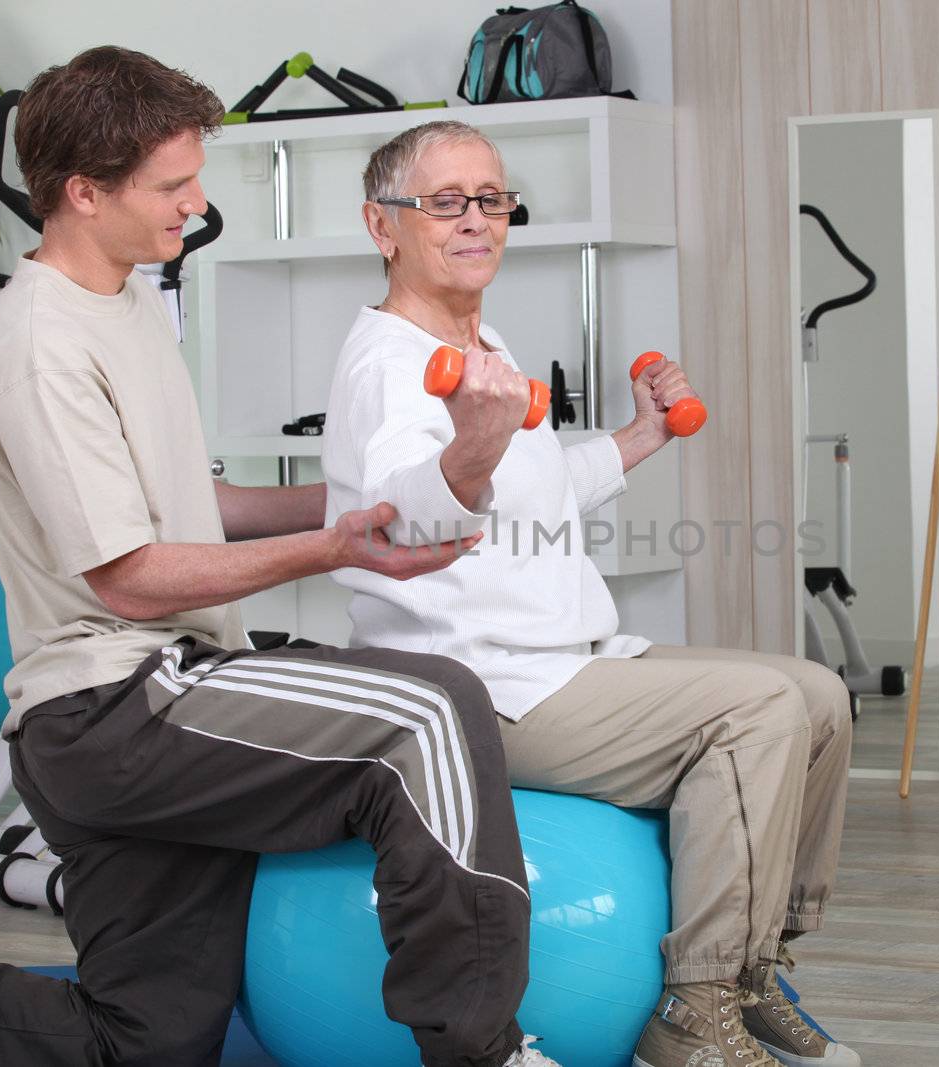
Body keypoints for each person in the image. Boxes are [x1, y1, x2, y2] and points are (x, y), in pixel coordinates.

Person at [0, 50, 560, 1067]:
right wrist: (335, 549)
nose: (195, 205)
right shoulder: (40, 345)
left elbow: (201, 502)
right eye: (171, 186)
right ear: (82, 192)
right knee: (432, 708)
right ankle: (481, 1048)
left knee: (142, 1042)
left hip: (142, 704)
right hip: (116, 707)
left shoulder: (124, 299)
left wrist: (363, 503)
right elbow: (132, 577)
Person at [321, 120, 861, 1067]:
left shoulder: (477, 337)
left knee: (819, 695)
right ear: (383, 225)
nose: (478, 220)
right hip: (480, 686)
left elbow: (530, 490)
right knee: (758, 712)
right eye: (446, 202)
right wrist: (473, 446)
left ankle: (753, 966)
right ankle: (693, 1010)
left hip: (562, 655)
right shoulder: (386, 366)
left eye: (492, 199)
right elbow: (402, 519)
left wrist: (640, 436)